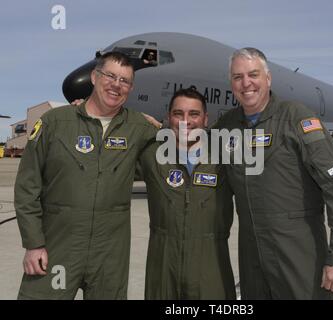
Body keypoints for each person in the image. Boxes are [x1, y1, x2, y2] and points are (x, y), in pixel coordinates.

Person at [213, 48, 333, 299]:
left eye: (253, 74)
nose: (246, 83)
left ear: (268, 79)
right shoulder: (227, 126)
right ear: (231, 84)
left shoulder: (296, 118)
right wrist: (156, 129)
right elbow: (189, 146)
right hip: (253, 256)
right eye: (238, 77)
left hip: (299, 252)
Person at [14, 51, 157, 299]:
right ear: (94, 76)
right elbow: (28, 186)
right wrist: (33, 243)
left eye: (124, 80)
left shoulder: (140, 128)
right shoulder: (55, 123)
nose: (116, 85)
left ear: (131, 88)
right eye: (110, 76)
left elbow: (176, 156)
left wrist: (161, 127)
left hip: (109, 256)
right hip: (57, 248)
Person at [140, 88, 236, 299]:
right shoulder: (150, 154)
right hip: (163, 269)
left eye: (194, 114)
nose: (186, 121)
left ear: (205, 119)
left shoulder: (225, 159)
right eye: (178, 114)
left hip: (212, 268)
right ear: (168, 118)